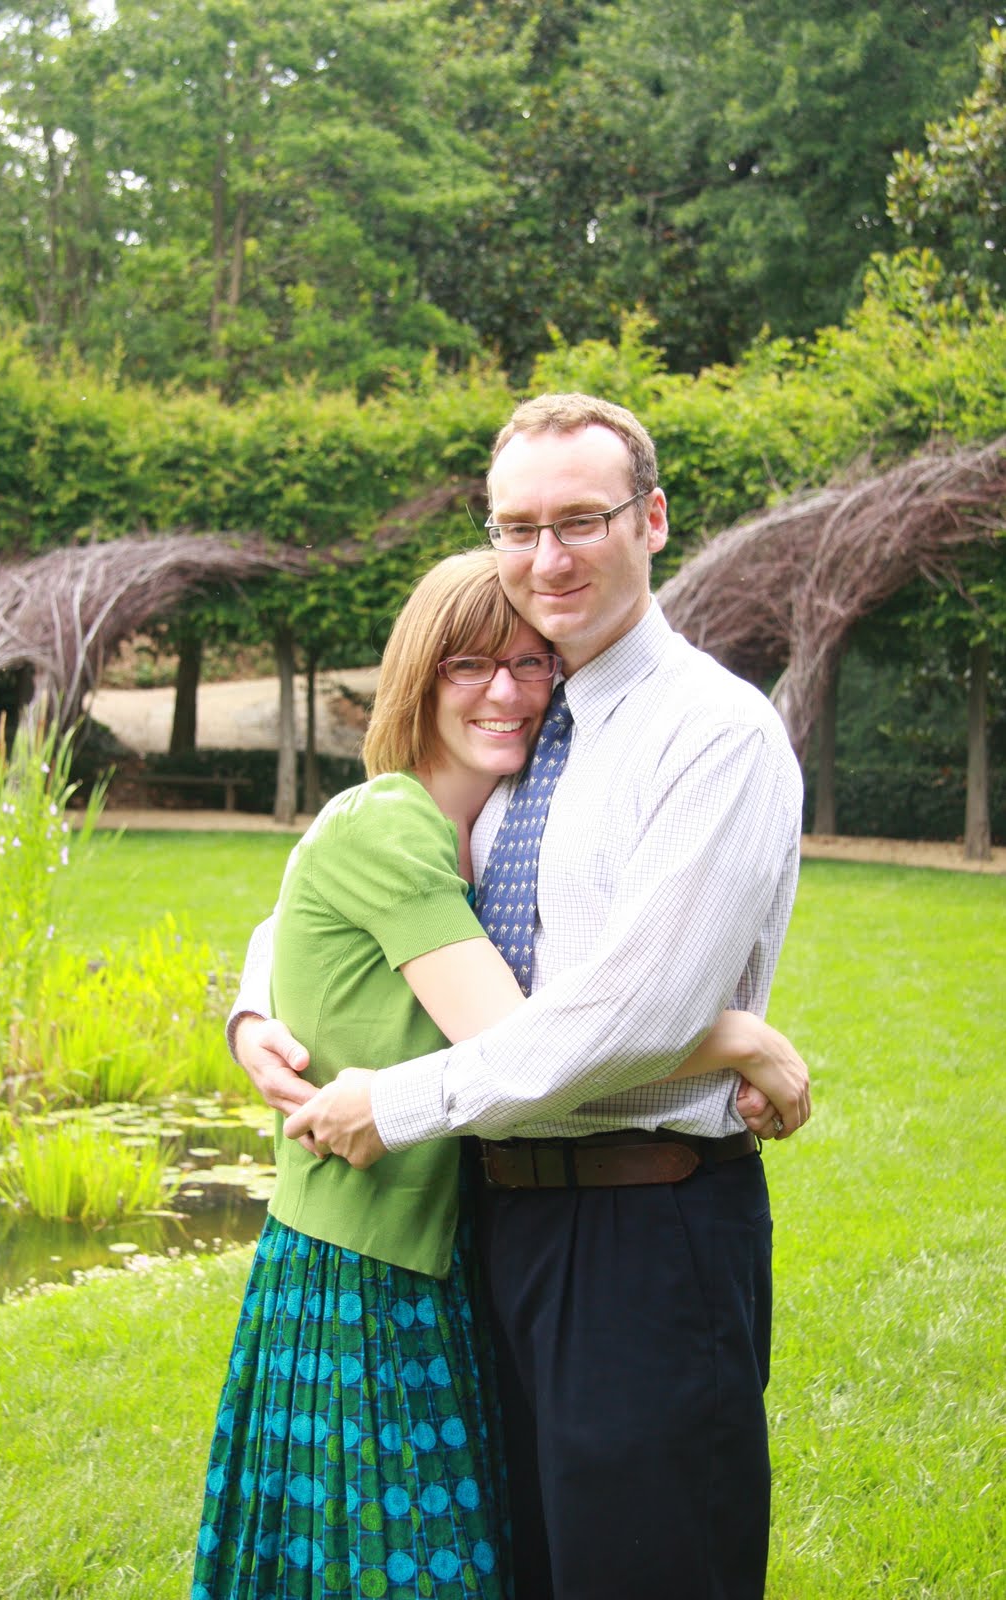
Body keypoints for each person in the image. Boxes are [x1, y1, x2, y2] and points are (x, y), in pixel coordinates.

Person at [228, 394, 809, 1600]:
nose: (548, 557)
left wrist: (395, 1101)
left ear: (650, 519)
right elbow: (350, 884)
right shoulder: (523, 724)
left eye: (580, 519)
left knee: (641, 1570)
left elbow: (627, 1017)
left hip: (642, 1228)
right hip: (489, 1226)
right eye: (517, 526)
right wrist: (251, 1006)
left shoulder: (709, 734)